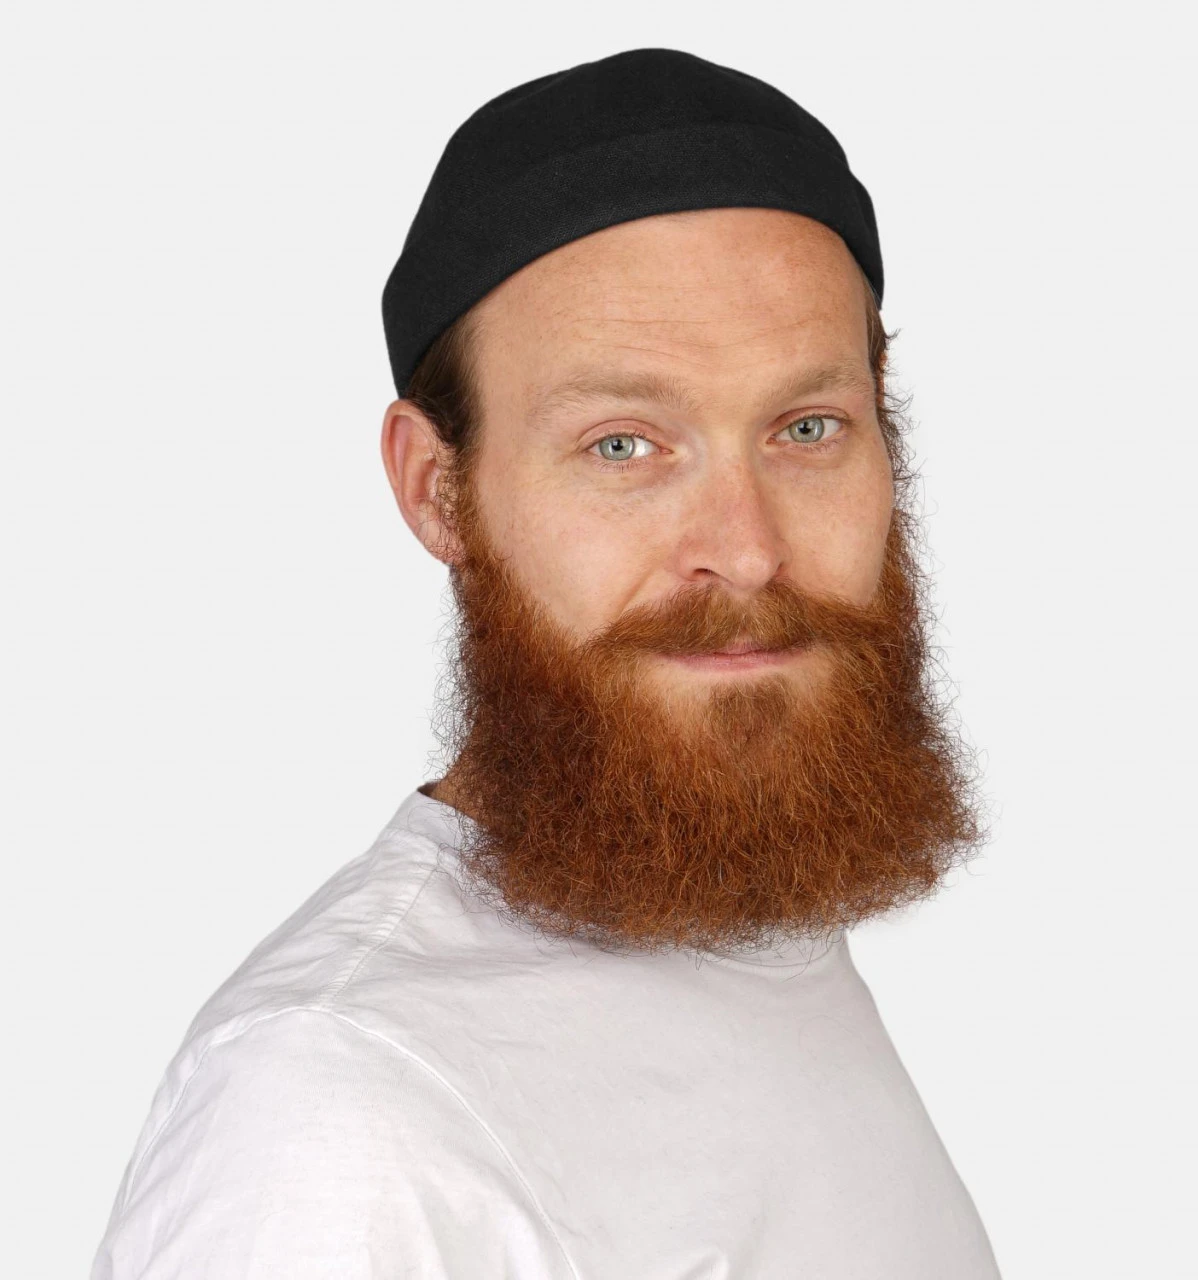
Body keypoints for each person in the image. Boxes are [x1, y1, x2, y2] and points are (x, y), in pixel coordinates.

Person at [92, 47, 1001, 1278]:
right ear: (439, 490)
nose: (745, 550)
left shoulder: (748, 911)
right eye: (622, 443)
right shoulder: (336, 1113)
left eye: (805, 427)